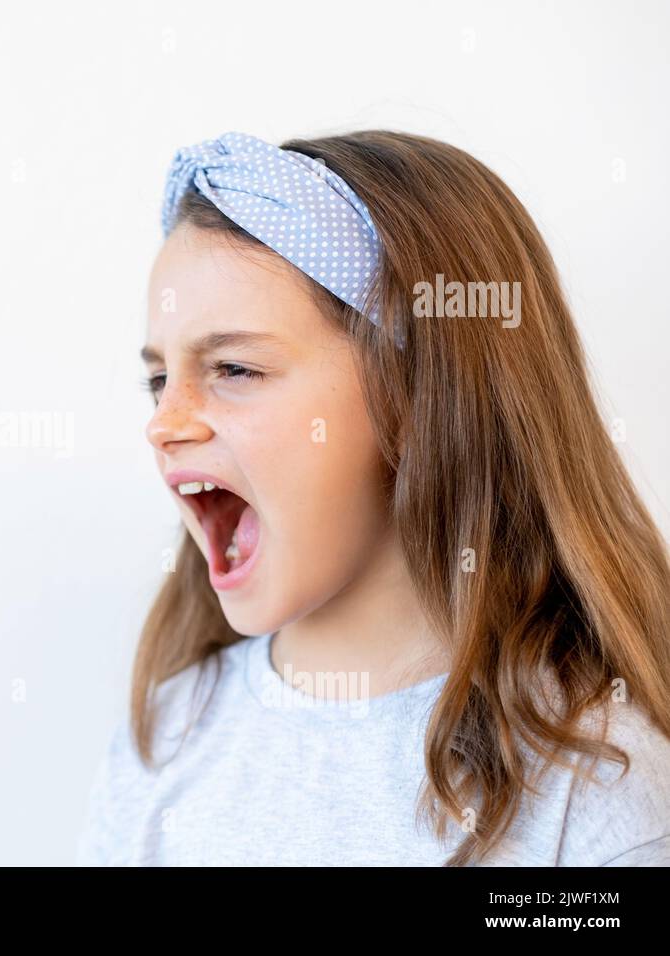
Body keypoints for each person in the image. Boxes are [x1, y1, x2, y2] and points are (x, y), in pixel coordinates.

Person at [75, 131, 670, 866]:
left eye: (233, 367)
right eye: (158, 380)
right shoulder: (167, 737)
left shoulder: (593, 793)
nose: (163, 423)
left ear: (421, 398)